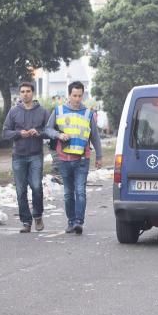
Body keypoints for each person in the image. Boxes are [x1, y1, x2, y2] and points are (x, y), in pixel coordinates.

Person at [44, 81, 102, 235]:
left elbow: (95, 137)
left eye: (80, 96)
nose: (77, 99)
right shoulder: (58, 110)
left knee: (80, 191)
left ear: (83, 95)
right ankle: (71, 221)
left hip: (82, 159)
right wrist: (58, 135)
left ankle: (78, 222)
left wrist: (99, 157)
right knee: (68, 192)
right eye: (74, 95)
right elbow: (48, 129)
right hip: (63, 159)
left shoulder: (88, 113)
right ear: (69, 95)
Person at [2, 81, 50, 233]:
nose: (25, 94)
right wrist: (19, 133)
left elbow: (51, 131)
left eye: (28, 91)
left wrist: (39, 132)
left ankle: (37, 215)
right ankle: (26, 221)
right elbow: (5, 132)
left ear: (33, 93)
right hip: (18, 156)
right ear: (19, 94)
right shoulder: (14, 111)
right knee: (20, 190)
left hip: (36, 154)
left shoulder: (42, 111)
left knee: (36, 186)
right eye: (22, 91)